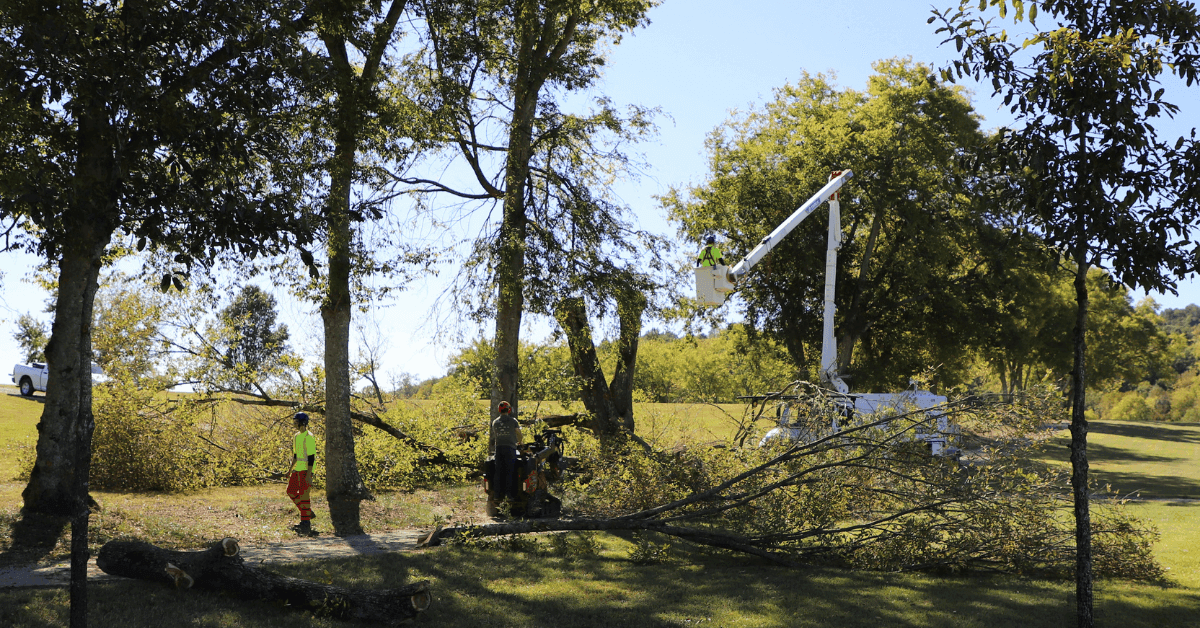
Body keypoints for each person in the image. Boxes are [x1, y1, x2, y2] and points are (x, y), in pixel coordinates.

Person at [287, 412, 318, 536]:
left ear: (302, 423)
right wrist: (289, 470)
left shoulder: (309, 437)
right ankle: (308, 512)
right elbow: (295, 455)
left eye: (296, 422)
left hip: (306, 470)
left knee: (304, 495)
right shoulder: (296, 436)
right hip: (298, 469)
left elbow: (311, 457)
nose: (294, 424)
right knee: (291, 491)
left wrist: (309, 475)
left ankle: (305, 522)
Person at [489, 401, 523, 507]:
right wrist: (520, 442)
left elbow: (496, 435)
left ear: (499, 410)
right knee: (509, 471)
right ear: (509, 410)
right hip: (510, 449)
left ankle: (497, 495)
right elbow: (518, 433)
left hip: (498, 449)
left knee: (498, 472)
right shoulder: (513, 421)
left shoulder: (495, 422)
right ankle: (509, 495)